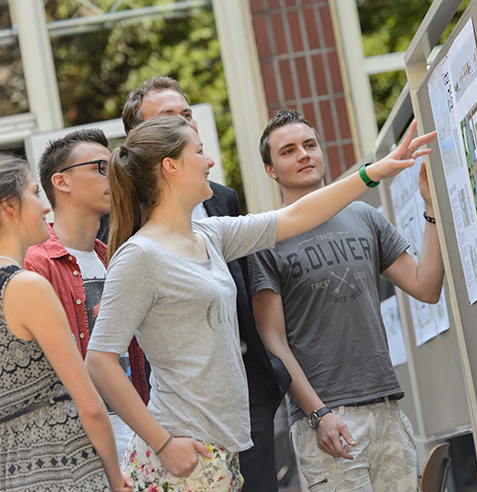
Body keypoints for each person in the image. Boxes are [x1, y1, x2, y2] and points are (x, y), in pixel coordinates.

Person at [84, 114, 436, 492]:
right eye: (199, 152)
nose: (210, 163)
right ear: (170, 166)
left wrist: (374, 173)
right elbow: (100, 362)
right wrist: (163, 443)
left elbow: (297, 215)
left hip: (224, 450)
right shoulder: (140, 255)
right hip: (181, 453)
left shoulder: (210, 234)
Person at [248, 109, 443, 491]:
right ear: (271, 170)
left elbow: (426, 287)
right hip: (325, 418)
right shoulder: (264, 237)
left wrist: (431, 210)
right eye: (288, 151)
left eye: (309, 145)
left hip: (386, 403)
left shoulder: (364, 217)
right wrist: (317, 413)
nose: (303, 154)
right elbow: (273, 341)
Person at [122, 76, 291, 492]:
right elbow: (105, 352)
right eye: (170, 117)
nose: (186, 125)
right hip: (181, 413)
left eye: (187, 115)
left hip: (247, 391)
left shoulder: (221, 201)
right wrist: (160, 439)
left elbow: (249, 278)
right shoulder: (128, 230)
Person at [0, 154, 132, 492]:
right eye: (34, 193)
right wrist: (115, 478)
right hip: (66, 467)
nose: (45, 207)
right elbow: (89, 404)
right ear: (9, 208)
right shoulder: (26, 288)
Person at [22, 129, 148, 462]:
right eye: (100, 167)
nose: (114, 176)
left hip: (136, 423)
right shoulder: (35, 263)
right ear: (62, 182)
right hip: (80, 437)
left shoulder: (116, 256)